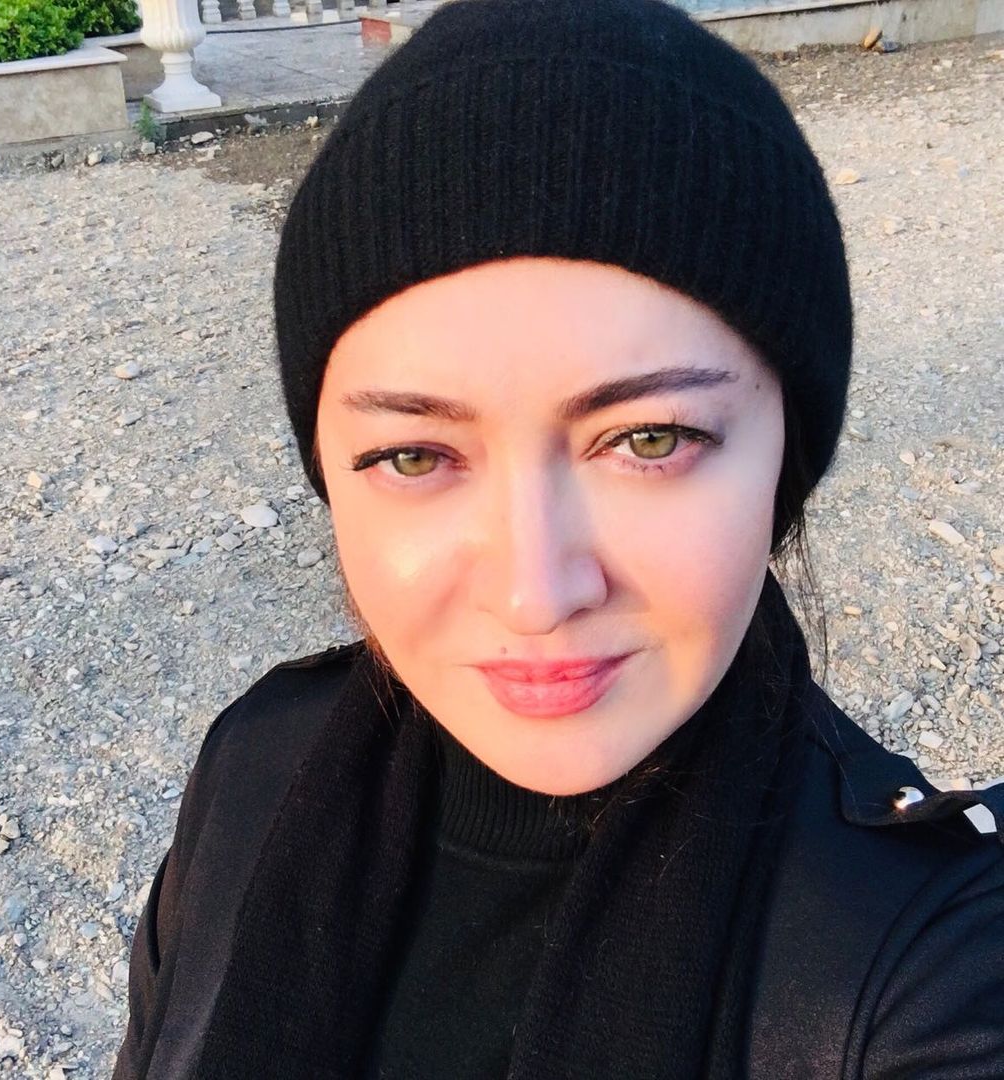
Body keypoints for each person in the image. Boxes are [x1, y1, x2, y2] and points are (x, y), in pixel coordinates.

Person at [112, 1, 1004, 1077]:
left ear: (787, 459)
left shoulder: (938, 962)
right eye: (414, 456)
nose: (536, 593)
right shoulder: (255, 766)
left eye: (649, 440)